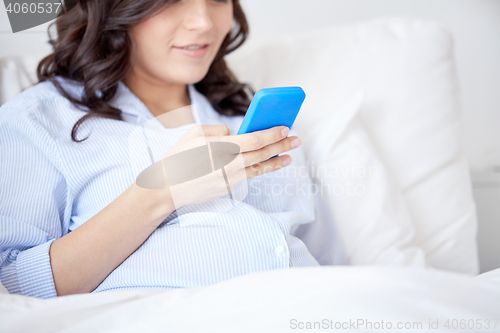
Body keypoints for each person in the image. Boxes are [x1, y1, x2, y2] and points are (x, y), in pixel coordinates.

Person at [0, 0, 344, 299]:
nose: (204, 22)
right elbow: (12, 289)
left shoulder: (255, 124)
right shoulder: (38, 121)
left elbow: (331, 264)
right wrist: (159, 193)